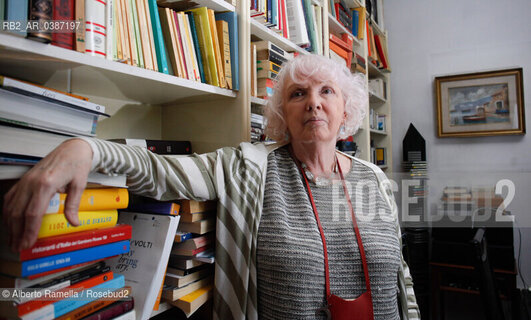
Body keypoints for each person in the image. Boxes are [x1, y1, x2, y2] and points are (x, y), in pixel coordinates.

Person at [3, 55, 420, 319]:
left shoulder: (375, 179)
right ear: (281, 114)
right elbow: (160, 172)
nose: (313, 102)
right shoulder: (247, 166)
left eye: (326, 91)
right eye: (298, 94)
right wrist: (85, 149)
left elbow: (400, 277)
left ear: (344, 107)